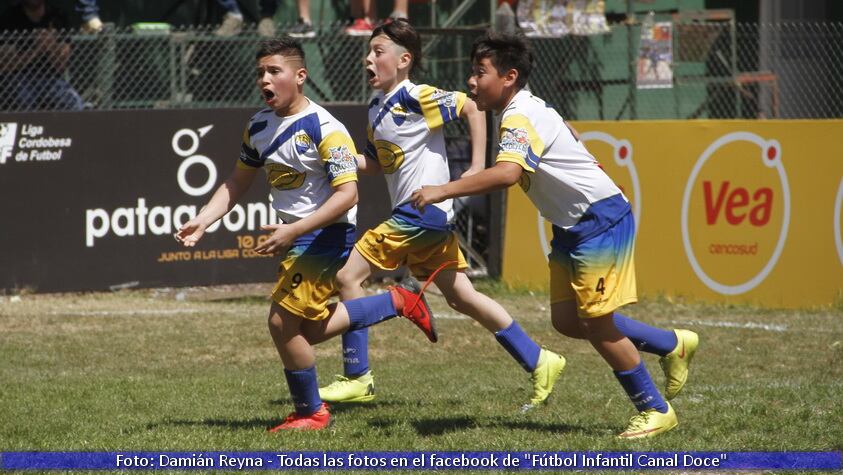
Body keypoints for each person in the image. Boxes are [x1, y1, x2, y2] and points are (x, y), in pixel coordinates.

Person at [411, 32, 699, 438]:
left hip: (599, 220)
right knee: (567, 321)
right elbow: (567, 131)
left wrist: (442, 189)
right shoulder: (519, 109)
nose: (471, 81)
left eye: (480, 72)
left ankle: (654, 409)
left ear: (509, 77)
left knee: (597, 324)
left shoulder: (518, 115)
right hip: (571, 226)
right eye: (471, 71)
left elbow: (509, 174)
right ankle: (671, 344)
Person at [175, 36, 437, 431]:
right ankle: (396, 302)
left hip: (325, 236)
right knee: (307, 329)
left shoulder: (326, 128)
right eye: (260, 72)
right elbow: (237, 181)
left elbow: (348, 194)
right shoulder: (258, 125)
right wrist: (204, 218)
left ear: (300, 76)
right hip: (295, 237)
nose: (264, 79)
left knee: (282, 325)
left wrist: (294, 229)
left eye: (273, 71)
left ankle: (310, 413)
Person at [318, 20, 567, 412]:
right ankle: (539, 359)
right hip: (424, 219)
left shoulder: (415, 95)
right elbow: (378, 163)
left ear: (404, 60)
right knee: (462, 296)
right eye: (368, 52)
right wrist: (336, 158)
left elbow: (470, 106)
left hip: (422, 213)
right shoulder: (375, 106)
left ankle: (357, 377)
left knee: (348, 276)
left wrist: (476, 163)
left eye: (377, 51)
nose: (369, 59)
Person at [0, 0, 84, 111]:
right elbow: (6, 65)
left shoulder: (58, 16)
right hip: (18, 78)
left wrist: (50, 46)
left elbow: (61, 65)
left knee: (75, 104)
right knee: (25, 100)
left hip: (50, 77)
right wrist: (36, 50)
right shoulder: (10, 17)